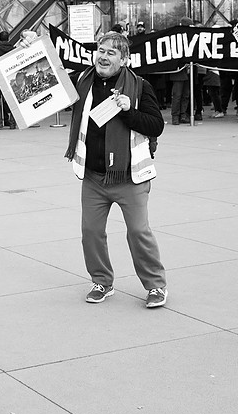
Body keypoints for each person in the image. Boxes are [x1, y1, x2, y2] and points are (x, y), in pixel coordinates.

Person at [64, 31, 167, 308]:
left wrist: (127, 111)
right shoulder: (82, 81)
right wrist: (31, 48)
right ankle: (101, 281)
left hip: (129, 177)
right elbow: (50, 84)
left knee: (138, 232)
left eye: (111, 52)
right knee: (91, 232)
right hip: (94, 177)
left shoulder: (140, 86)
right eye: (101, 50)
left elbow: (155, 125)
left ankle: (155, 286)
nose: (103, 56)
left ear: (124, 59)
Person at [0, 31, 18, 129]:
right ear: (8, 38)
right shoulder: (13, 49)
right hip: (11, 77)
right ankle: (13, 123)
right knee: (12, 100)